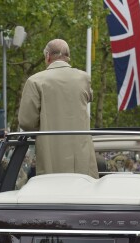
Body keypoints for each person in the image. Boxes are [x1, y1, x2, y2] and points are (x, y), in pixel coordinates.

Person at [18, 39, 98, 178]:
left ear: (48, 56)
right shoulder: (84, 78)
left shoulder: (35, 81)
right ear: (68, 56)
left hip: (51, 156)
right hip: (82, 158)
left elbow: (26, 122)